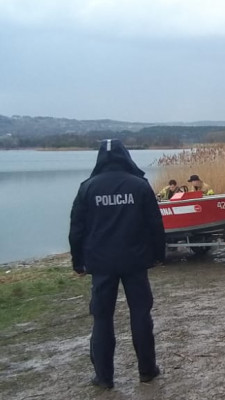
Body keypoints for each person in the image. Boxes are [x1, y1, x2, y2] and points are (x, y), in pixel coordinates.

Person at [69, 139, 165, 389]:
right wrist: (159, 255)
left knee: (102, 318)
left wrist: (78, 262)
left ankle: (104, 378)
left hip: (101, 264)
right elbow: (155, 224)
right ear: (125, 156)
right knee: (140, 314)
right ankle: (147, 370)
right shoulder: (139, 185)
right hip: (135, 261)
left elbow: (76, 228)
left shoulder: (87, 187)